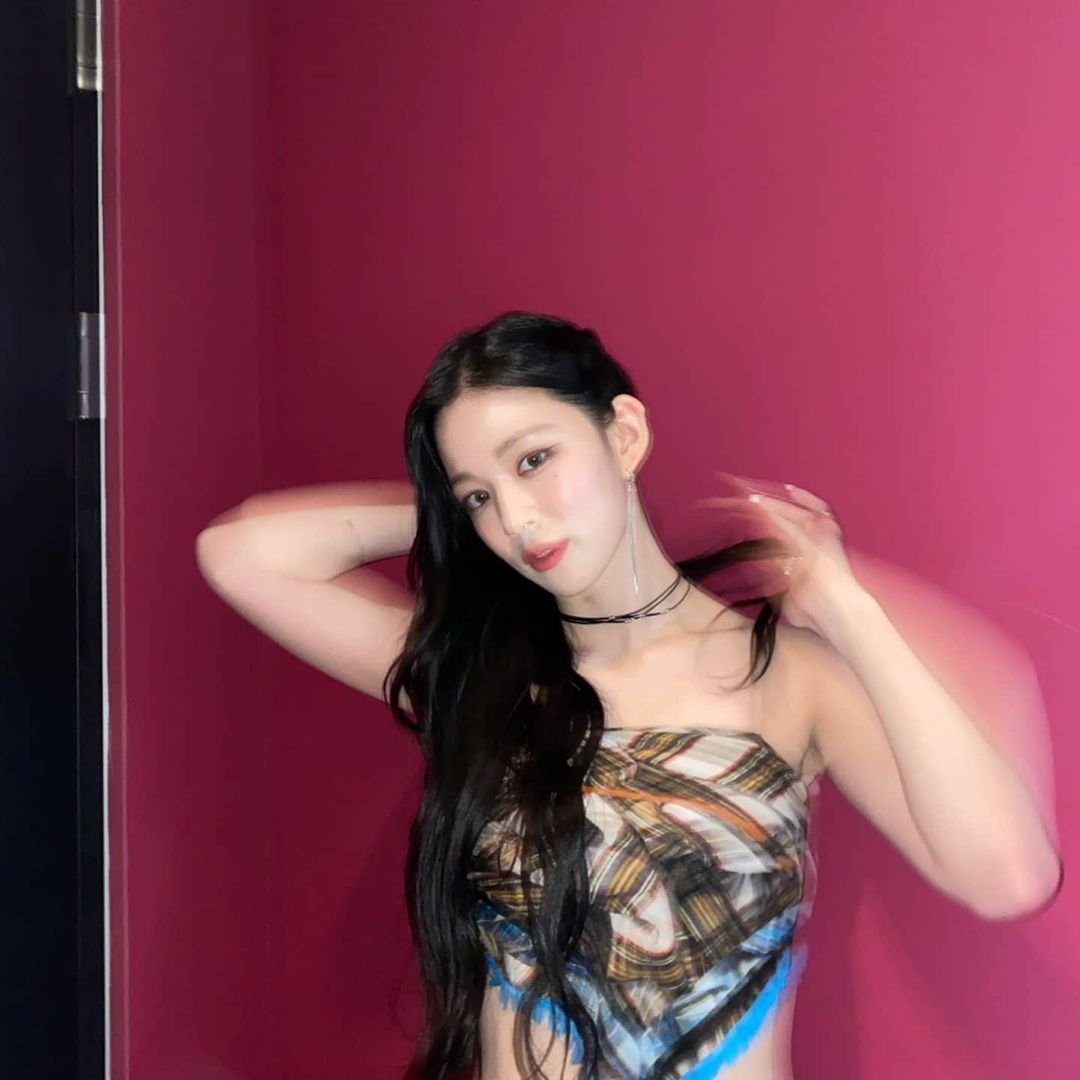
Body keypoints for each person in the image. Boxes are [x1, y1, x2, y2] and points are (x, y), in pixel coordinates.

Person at [195, 311, 1063, 1080]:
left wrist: (848, 608)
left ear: (625, 436)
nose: (518, 520)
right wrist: (449, 518)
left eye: (535, 460)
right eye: (481, 496)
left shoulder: (788, 675)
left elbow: (1009, 878)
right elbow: (243, 555)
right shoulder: (485, 681)